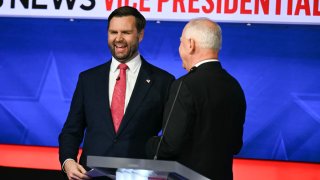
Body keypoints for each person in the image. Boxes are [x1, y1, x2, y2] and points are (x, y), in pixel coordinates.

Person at [58, 6, 175, 179]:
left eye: (126, 32)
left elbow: (171, 138)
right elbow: (71, 130)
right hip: (89, 175)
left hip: (138, 175)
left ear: (140, 35)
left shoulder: (163, 81)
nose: (118, 39)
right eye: (113, 32)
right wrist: (68, 161)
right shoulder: (88, 79)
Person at [146, 18, 246, 180]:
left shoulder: (185, 85)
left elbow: (168, 147)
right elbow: (235, 145)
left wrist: (147, 143)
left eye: (181, 42)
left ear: (190, 44)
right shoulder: (234, 86)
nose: (180, 48)